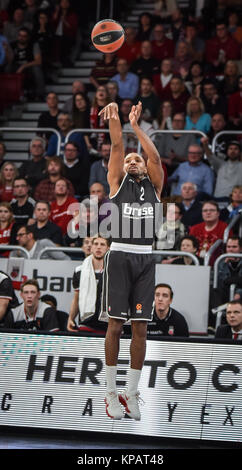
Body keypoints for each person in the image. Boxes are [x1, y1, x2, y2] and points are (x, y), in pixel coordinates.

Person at [99, 101, 163, 420]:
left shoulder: (155, 185)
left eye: (136, 159)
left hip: (146, 259)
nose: (131, 161)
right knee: (115, 325)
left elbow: (154, 156)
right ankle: (110, 392)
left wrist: (137, 126)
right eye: (128, 160)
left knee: (141, 329)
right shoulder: (116, 182)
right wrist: (119, 124)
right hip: (120, 254)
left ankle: (131, 392)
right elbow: (116, 144)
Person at [67, 235, 110, 334]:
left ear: (108, 248)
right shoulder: (79, 271)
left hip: (109, 323)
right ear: (91, 247)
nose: (98, 247)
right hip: (86, 321)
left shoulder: (115, 271)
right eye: (95, 244)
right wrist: (71, 318)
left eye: (102, 244)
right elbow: (76, 298)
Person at [9, 26, 45, 100]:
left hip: (29, 66)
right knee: (7, 67)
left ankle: (40, 94)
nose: (21, 38)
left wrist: (23, 66)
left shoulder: (33, 44)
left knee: (37, 69)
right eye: (20, 35)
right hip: (15, 66)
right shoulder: (12, 45)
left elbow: (38, 61)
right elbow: (9, 60)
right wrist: (6, 50)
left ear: (28, 37)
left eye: (24, 36)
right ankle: (10, 94)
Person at [217, 236, 242, 303]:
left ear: (241, 249)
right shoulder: (221, 261)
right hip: (225, 293)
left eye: (234, 247)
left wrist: (239, 293)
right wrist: (225, 264)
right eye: (228, 247)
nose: (230, 249)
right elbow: (220, 282)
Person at [10, 177, 35, 241]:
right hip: (12, 237)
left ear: (27, 188)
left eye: (22, 186)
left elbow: (32, 224)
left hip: (27, 238)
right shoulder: (11, 205)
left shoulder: (33, 204)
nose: (20, 189)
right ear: (14, 189)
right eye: (17, 186)